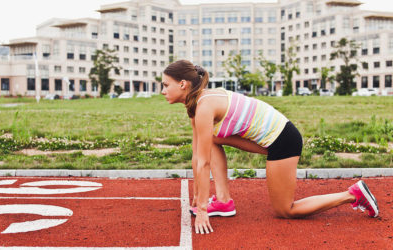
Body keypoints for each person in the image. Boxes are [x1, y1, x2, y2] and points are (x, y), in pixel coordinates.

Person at [161, 60, 379, 234]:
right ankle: (223, 201)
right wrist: (197, 196)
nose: (162, 90)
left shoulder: (204, 106)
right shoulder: (197, 104)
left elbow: (204, 162)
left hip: (284, 141)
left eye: (165, 85)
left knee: (286, 210)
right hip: (272, 138)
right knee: (212, 138)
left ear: (182, 84)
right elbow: (198, 154)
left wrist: (201, 211)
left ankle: (352, 194)